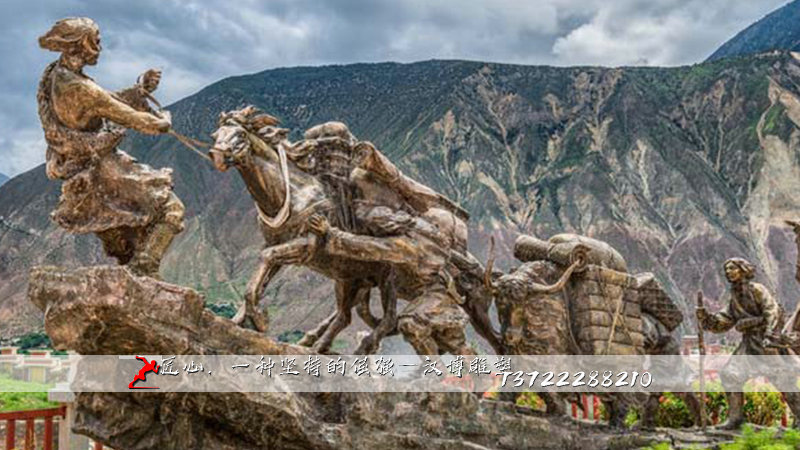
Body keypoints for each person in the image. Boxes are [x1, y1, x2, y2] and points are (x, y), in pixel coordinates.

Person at [37, 17, 184, 277]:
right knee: (171, 209)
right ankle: (145, 270)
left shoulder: (56, 74)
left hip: (85, 166)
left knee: (128, 235)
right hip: (103, 168)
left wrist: (139, 90)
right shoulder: (79, 87)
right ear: (82, 44)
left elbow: (103, 101)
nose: (100, 48)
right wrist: (163, 120)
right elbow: (134, 118)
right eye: (96, 41)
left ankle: (136, 275)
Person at [307, 167, 473, 356]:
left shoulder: (405, 244)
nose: (374, 229)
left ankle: (440, 377)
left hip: (433, 296)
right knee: (452, 342)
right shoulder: (418, 229)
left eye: (375, 226)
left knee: (411, 324)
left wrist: (329, 232)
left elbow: (368, 247)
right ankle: (468, 376)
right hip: (429, 295)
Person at [697, 257, 800, 429]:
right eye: (726, 270)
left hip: (765, 344)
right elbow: (724, 320)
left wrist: (769, 334)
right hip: (748, 345)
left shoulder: (757, 290)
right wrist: (707, 319)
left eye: (732, 268)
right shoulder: (734, 297)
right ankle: (735, 418)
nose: (728, 272)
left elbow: (772, 311)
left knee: (784, 381)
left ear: (743, 270)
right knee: (730, 374)